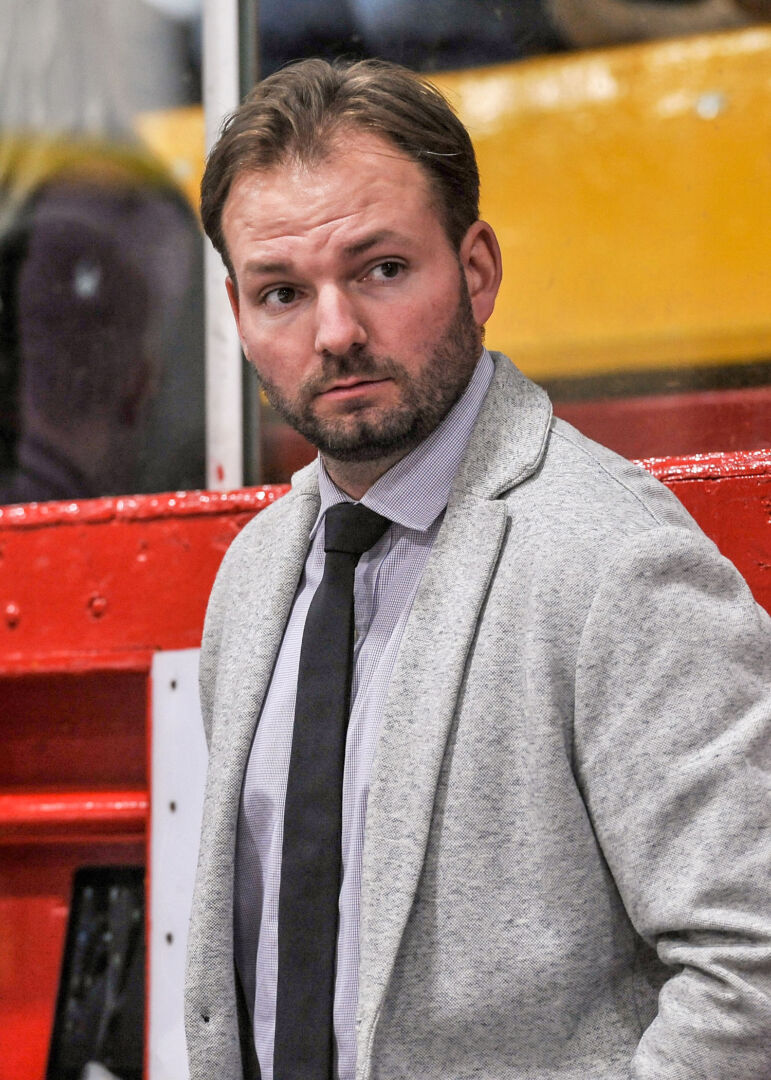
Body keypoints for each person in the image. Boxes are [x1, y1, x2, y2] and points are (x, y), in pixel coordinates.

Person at [185, 58, 771, 1080]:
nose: (337, 333)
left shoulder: (613, 559)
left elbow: (752, 969)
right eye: (284, 292)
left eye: (382, 269)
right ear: (238, 317)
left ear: (478, 269)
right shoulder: (253, 578)